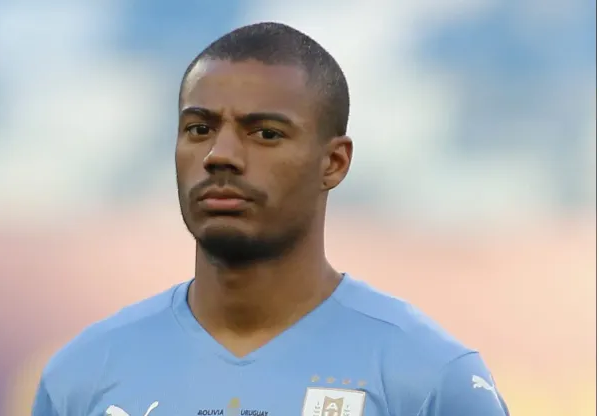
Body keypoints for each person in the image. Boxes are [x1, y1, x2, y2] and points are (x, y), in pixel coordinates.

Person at [32, 22, 510, 416]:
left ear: (334, 163)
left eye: (264, 133)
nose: (220, 155)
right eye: (199, 129)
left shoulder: (429, 379)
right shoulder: (82, 378)